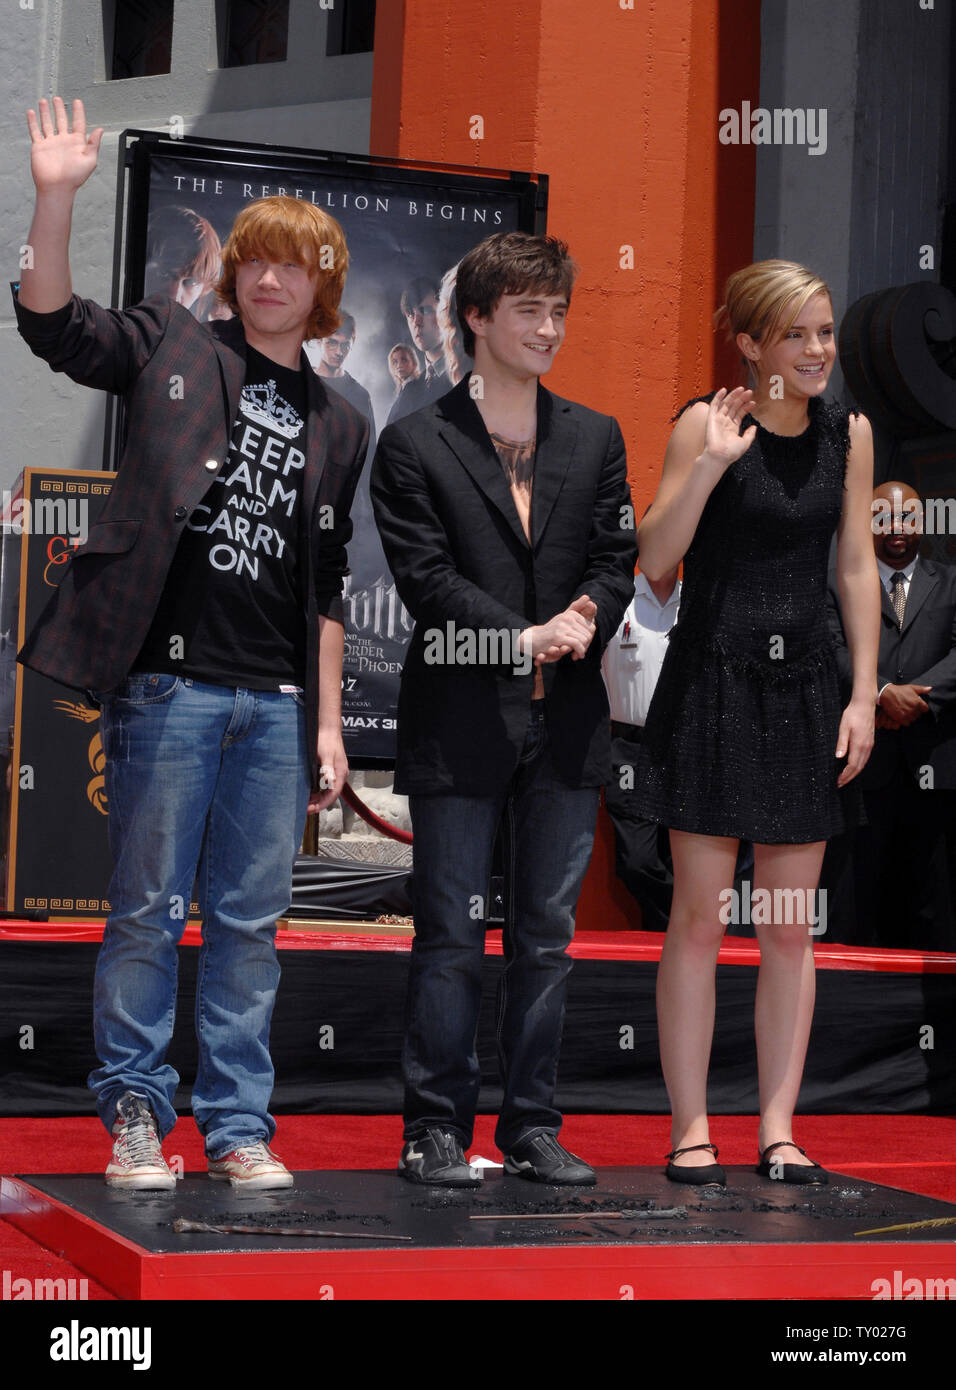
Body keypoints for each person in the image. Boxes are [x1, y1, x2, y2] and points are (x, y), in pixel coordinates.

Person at [16, 97, 368, 1190]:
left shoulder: (344, 416)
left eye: (293, 267)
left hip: (272, 704)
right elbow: (53, 323)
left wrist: (328, 725)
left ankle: (237, 1127)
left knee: (251, 928)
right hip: (168, 689)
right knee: (145, 913)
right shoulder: (174, 342)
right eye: (255, 262)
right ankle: (132, 1116)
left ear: (321, 290)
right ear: (236, 277)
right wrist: (56, 195)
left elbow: (327, 586)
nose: (269, 280)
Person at [371, 230, 637, 1186]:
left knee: (549, 939)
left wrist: (584, 617)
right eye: (529, 309)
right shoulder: (414, 441)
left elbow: (618, 557)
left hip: (566, 729)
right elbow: (426, 578)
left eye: (559, 309)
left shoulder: (595, 435)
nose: (550, 327)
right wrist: (520, 636)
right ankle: (434, 1127)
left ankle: (530, 1124)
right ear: (476, 318)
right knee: (448, 936)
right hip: (459, 724)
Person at [635, 259, 879, 1186]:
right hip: (712, 683)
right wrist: (708, 469)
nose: (819, 351)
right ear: (749, 342)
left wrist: (863, 693)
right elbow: (656, 561)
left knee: (787, 927)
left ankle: (779, 1127)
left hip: (808, 690)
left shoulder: (849, 435)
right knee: (698, 920)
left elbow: (854, 565)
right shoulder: (706, 422)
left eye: (825, 332)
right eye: (798, 335)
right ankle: (690, 1128)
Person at [825, 482, 956, 950]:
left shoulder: (951, 581)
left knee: (932, 899)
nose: (897, 529)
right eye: (885, 518)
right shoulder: (840, 584)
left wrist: (916, 699)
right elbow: (829, 649)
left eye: (908, 519)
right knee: (856, 895)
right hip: (861, 766)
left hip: (934, 766)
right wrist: (879, 693)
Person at [385, 276, 448, 424]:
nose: (416, 322)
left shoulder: (470, 375)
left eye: (425, 310)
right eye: (410, 314)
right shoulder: (409, 391)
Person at [307, 310, 376, 441]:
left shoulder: (360, 396)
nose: (339, 352)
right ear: (319, 341)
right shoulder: (302, 382)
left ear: (353, 343)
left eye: (345, 345)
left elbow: (368, 449)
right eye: (332, 343)